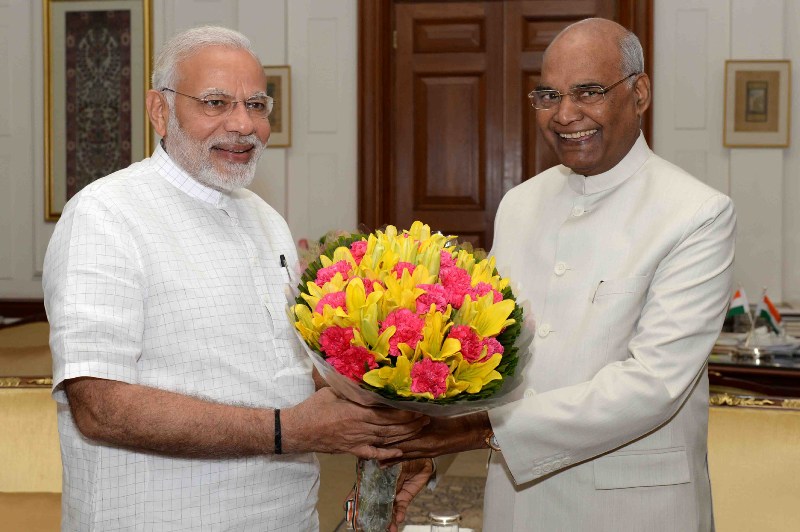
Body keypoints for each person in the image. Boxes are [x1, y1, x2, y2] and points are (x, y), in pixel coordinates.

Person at [43, 26, 429, 531]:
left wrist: (386, 435)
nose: (243, 125)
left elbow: (284, 368)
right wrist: (286, 430)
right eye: (216, 102)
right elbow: (100, 406)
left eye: (257, 105)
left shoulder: (267, 220)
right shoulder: (105, 214)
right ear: (160, 111)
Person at [390, 18, 735, 531]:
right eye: (548, 95)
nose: (565, 114)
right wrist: (429, 434)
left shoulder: (696, 213)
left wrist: (476, 429)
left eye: (589, 92)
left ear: (639, 93)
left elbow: (652, 384)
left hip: (635, 510)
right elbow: (492, 354)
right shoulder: (520, 204)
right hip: (517, 502)